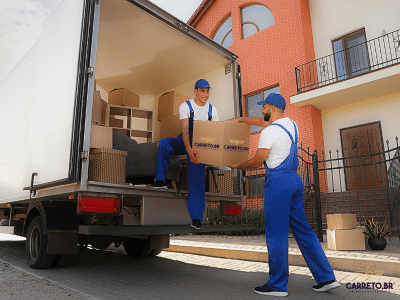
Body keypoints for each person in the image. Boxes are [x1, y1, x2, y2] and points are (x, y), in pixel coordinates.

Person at [230, 93, 340, 297]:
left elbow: (256, 161)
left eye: (264, 107)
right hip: (295, 182)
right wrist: (241, 120)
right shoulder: (291, 125)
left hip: (278, 183)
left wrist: (237, 166)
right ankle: (327, 278)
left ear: (271, 108)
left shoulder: (269, 132)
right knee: (304, 231)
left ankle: (277, 285)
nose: (261, 110)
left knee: (276, 234)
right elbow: (263, 123)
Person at [151, 79, 219, 230]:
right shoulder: (186, 106)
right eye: (203, 91)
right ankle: (161, 180)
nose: (206, 94)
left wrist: (209, 153)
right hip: (185, 140)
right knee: (164, 144)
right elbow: (184, 128)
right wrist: (188, 149)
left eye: (208, 91)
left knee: (197, 178)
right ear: (195, 91)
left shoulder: (212, 110)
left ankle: (196, 217)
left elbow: (214, 133)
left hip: (201, 145)